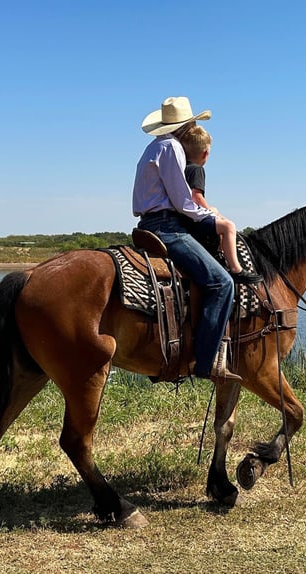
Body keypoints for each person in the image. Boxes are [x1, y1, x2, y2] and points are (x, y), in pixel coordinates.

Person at [132, 96, 242, 384]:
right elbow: (183, 202)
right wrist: (213, 220)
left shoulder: (154, 146)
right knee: (222, 282)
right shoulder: (172, 148)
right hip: (167, 226)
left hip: (149, 223)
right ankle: (206, 363)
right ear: (186, 125)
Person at [178, 125, 261, 283]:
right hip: (191, 221)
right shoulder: (197, 170)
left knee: (216, 213)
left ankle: (223, 256)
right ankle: (236, 269)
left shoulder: (181, 168)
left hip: (180, 218)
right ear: (206, 153)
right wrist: (210, 212)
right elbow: (196, 196)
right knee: (228, 226)